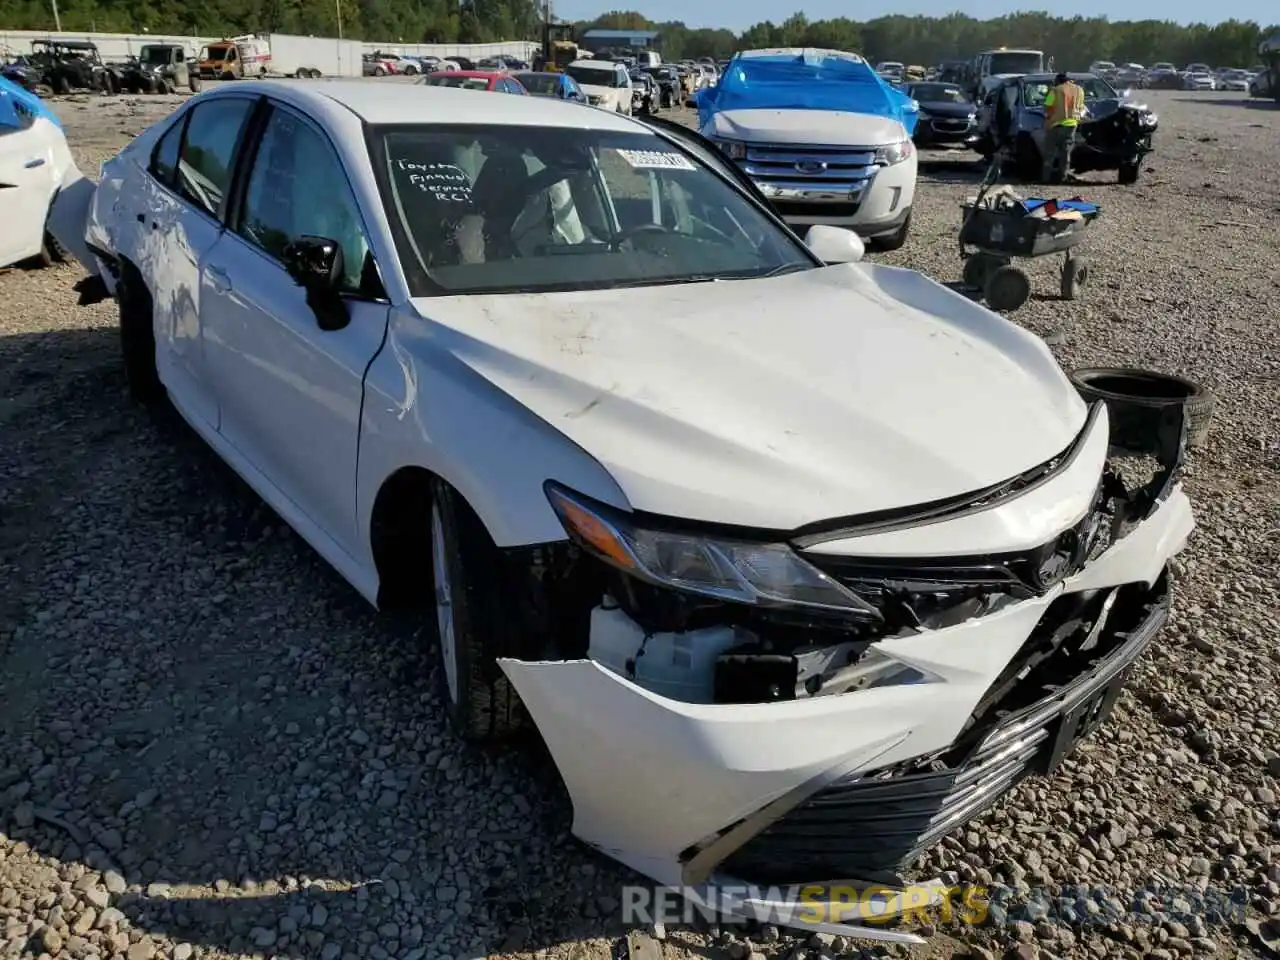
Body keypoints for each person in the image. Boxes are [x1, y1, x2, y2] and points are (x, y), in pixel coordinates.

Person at [1041, 72, 1084, 184]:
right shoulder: (1079, 90)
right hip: (1071, 125)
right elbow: (1081, 107)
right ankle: (1063, 177)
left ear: (1058, 81)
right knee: (1065, 152)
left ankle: (1046, 178)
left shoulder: (1056, 90)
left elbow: (1047, 107)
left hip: (1055, 124)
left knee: (1049, 152)